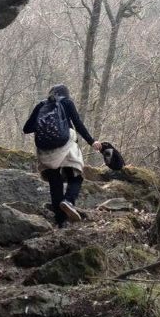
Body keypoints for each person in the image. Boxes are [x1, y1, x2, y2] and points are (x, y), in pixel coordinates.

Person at [23, 84, 102, 226]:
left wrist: (45, 126)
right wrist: (92, 142)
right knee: (76, 177)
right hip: (65, 146)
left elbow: (27, 129)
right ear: (66, 94)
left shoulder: (41, 105)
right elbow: (78, 124)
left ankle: (61, 222)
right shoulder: (67, 102)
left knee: (55, 184)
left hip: (45, 150)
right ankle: (68, 201)